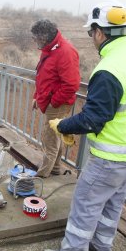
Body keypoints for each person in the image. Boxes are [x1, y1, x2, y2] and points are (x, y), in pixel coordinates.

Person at [43, 0, 126, 251]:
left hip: (111, 155)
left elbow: (92, 119)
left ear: (100, 32)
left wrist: (62, 125)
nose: (92, 38)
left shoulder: (108, 69)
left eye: (92, 33)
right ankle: (101, 248)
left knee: (84, 205)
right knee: (112, 203)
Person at [31, 19, 80, 178]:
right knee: (54, 134)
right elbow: (43, 77)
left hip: (58, 103)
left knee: (49, 138)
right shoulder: (49, 49)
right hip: (50, 101)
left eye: (36, 38)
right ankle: (55, 169)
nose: (35, 41)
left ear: (45, 37)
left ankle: (42, 175)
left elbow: (71, 85)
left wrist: (54, 102)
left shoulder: (65, 51)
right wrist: (36, 97)